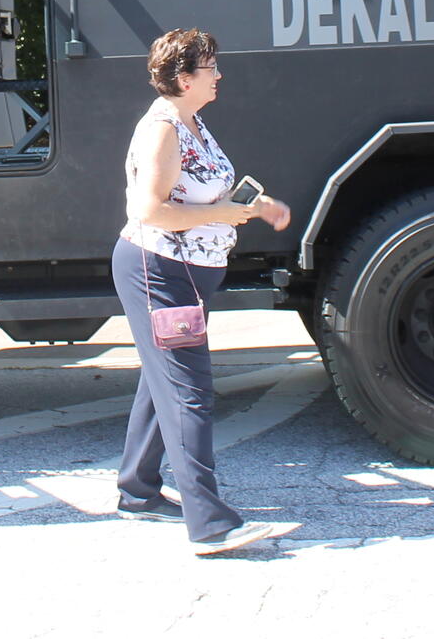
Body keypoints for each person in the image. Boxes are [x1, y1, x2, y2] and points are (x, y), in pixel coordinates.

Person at [112, 28, 292, 555]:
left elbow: (205, 191)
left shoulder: (191, 122)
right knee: (188, 392)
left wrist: (256, 207)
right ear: (184, 77)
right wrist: (222, 214)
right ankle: (210, 524)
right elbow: (149, 210)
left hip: (184, 274)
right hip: (159, 273)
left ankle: (138, 491)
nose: (219, 75)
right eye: (210, 68)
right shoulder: (163, 130)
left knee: (161, 383)